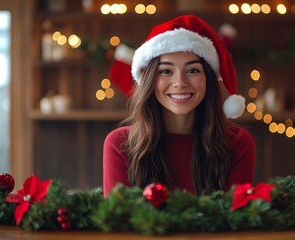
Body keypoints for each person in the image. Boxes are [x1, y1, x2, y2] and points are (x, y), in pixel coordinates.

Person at [103, 15, 255, 197]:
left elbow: (238, 219)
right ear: (150, 80)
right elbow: (119, 222)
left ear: (209, 79)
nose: (180, 82)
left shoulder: (238, 144)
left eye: (192, 70)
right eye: (166, 71)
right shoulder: (120, 144)